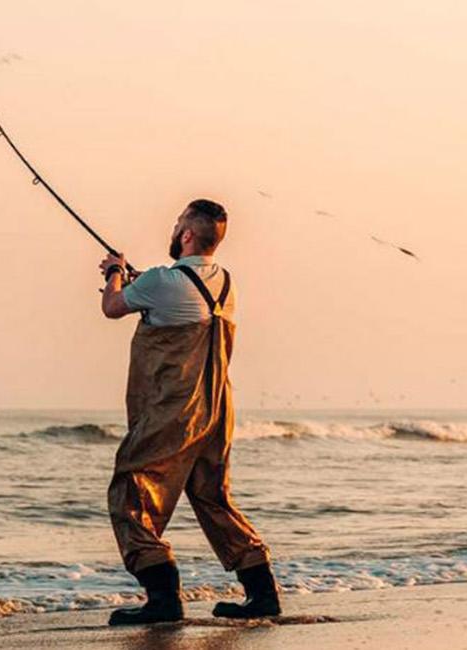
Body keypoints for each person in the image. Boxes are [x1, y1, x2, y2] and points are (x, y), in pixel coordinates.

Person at [96, 198, 281, 625]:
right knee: (211, 494)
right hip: (217, 408)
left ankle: (162, 595)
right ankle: (262, 592)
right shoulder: (226, 283)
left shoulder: (163, 280)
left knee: (130, 489)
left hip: (174, 409)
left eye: (178, 221)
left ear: (185, 234)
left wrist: (114, 273)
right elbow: (180, 303)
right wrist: (138, 283)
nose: (174, 226)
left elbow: (112, 307)